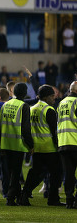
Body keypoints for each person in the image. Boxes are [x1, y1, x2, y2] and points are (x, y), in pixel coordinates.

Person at [20, 85, 64, 207]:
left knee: (35, 173)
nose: (54, 98)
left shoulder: (31, 108)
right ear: (46, 97)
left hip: (36, 147)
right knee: (55, 173)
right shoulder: (49, 110)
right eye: (51, 96)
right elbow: (54, 131)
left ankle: (24, 194)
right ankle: (53, 199)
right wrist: (58, 145)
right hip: (49, 147)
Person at [0, 82, 33, 206]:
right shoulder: (23, 106)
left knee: (9, 172)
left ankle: (17, 196)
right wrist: (30, 145)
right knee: (15, 173)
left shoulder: (5, 105)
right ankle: (11, 198)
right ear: (24, 93)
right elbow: (25, 129)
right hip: (17, 144)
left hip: (5, 143)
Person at [57, 81, 77, 209]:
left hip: (63, 142)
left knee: (68, 174)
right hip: (75, 141)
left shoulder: (62, 103)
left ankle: (69, 200)